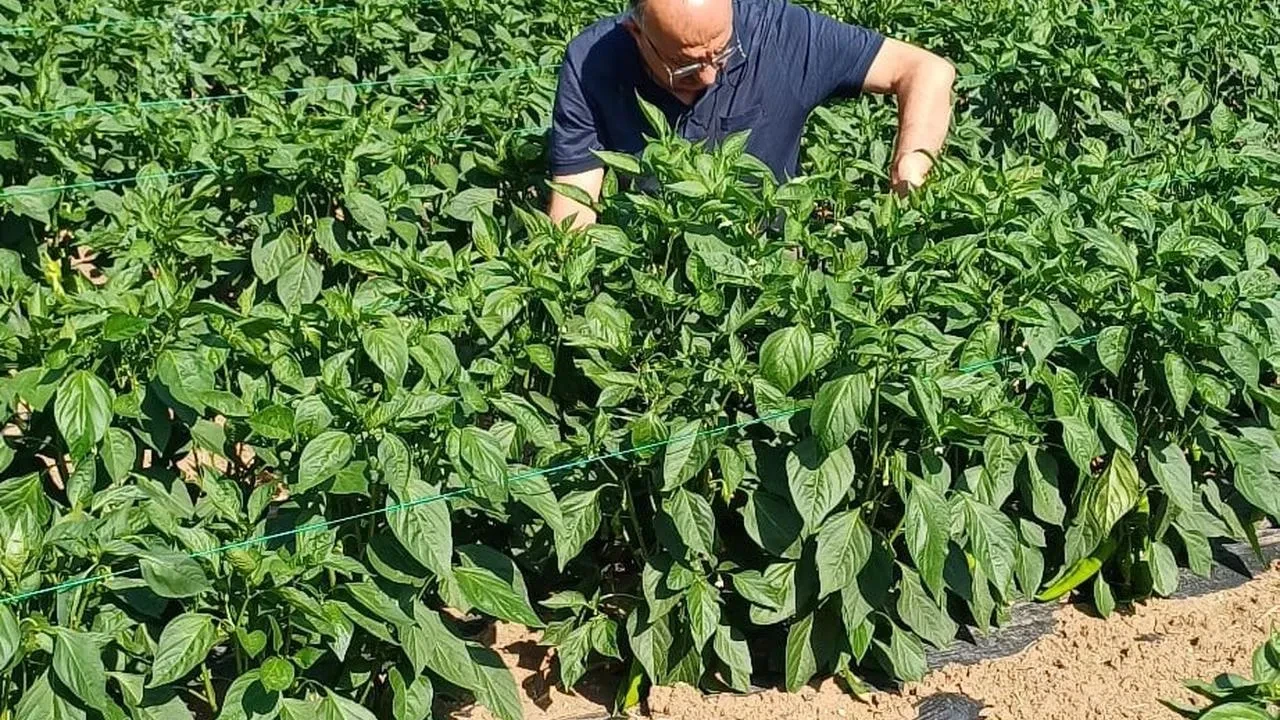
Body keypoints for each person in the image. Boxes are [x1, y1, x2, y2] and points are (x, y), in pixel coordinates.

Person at [546, 0, 956, 227]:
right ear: (636, 32)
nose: (708, 76)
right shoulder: (592, 63)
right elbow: (574, 209)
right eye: (685, 65)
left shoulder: (781, 34)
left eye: (722, 51)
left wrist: (912, 164)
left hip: (769, 276)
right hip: (654, 275)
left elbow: (926, 70)